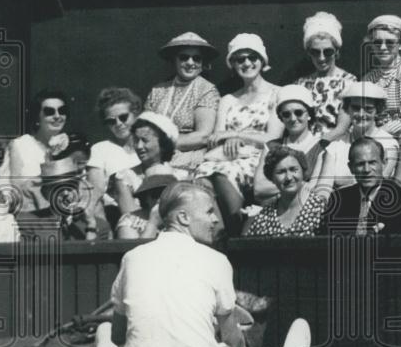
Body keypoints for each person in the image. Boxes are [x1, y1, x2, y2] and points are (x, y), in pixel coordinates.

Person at [94, 181, 311, 347]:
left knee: (104, 331)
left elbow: (117, 335)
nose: (216, 219)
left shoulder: (132, 258)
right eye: (209, 212)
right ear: (183, 218)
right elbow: (232, 340)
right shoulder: (216, 260)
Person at [195, 34, 283, 234]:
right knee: (202, 175)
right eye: (240, 59)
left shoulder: (277, 93)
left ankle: (237, 230)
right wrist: (227, 138)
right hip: (227, 155)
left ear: (262, 60)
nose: (247, 63)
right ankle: (219, 233)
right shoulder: (227, 99)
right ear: (233, 64)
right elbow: (216, 138)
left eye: (252, 57)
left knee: (222, 173)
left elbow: (273, 138)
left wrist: (237, 136)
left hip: (260, 157)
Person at [252, 84, 351, 203]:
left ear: (309, 114)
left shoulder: (323, 146)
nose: (293, 119)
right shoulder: (271, 146)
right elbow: (259, 188)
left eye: (298, 112)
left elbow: (316, 188)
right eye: (286, 114)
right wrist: (302, 184)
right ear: (281, 118)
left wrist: (280, 187)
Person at [146, 32, 221, 171]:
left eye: (196, 58)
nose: (190, 63)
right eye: (184, 57)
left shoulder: (207, 90)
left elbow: (203, 136)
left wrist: (161, 144)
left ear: (202, 63)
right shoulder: (158, 90)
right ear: (174, 60)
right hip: (151, 153)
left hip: (187, 157)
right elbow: (143, 128)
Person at [319, 138, 401, 235]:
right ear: (351, 168)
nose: (367, 170)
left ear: (384, 163)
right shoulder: (338, 200)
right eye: (360, 164)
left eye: (372, 162)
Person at [0, 89, 72, 213]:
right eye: (49, 112)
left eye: (62, 111)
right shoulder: (21, 145)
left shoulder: (70, 146)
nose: (57, 116)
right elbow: (8, 189)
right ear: (37, 116)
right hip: (32, 219)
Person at [243, 145, 337, 237]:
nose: (288, 177)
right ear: (272, 178)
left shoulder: (320, 209)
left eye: (293, 169)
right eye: (281, 172)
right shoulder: (263, 217)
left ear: (302, 172)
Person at [16, 156, 111, 241]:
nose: (66, 193)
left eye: (71, 186)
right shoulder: (28, 222)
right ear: (46, 193)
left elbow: (95, 258)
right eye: (58, 188)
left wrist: (91, 227)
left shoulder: (100, 226)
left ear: (78, 189)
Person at [110, 112, 186, 217]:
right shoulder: (126, 177)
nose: (139, 146)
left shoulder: (181, 176)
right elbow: (130, 218)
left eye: (145, 140)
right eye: (136, 141)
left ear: (162, 143)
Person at [295, 11, 356, 141]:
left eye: (328, 52)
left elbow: (341, 129)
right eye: (315, 52)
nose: (321, 58)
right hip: (304, 145)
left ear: (336, 52)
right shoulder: (301, 84)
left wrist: (314, 147)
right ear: (308, 54)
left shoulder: (348, 83)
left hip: (335, 146)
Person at [87, 87, 142, 228]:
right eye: (111, 121)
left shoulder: (147, 146)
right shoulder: (101, 149)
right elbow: (96, 191)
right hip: (117, 216)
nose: (118, 124)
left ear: (136, 114)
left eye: (123, 117)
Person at [360, 15, 401, 136]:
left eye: (390, 43)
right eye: (377, 42)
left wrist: (376, 134)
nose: (383, 48)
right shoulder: (368, 78)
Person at [340, 81, 399, 179]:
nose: (361, 114)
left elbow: (377, 182)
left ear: (378, 110)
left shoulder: (388, 144)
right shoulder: (338, 143)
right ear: (347, 109)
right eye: (355, 108)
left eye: (368, 109)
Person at [116, 174, 177, 240]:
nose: (161, 199)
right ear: (146, 198)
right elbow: (133, 249)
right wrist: (153, 222)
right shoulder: (129, 221)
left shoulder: (184, 218)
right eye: (156, 194)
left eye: (167, 194)